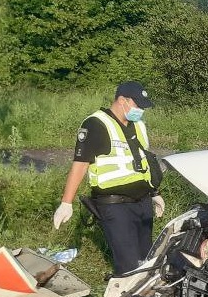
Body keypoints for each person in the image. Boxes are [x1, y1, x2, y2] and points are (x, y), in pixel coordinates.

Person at [53, 80, 164, 275]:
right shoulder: (96, 124)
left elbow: (144, 161)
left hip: (143, 202)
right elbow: (80, 164)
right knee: (129, 265)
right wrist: (66, 202)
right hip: (115, 205)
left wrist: (154, 192)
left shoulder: (138, 125)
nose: (141, 111)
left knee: (146, 261)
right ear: (122, 100)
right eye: (137, 105)